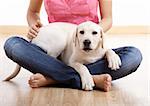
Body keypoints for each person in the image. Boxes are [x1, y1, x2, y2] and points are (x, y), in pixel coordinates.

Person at [4, 0, 142, 92]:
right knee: (13, 45)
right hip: (55, 51)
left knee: (133, 55)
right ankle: (88, 78)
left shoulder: (93, 36)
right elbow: (32, 12)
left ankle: (53, 77)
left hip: (91, 47)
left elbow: (108, 18)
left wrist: (92, 34)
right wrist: (34, 24)